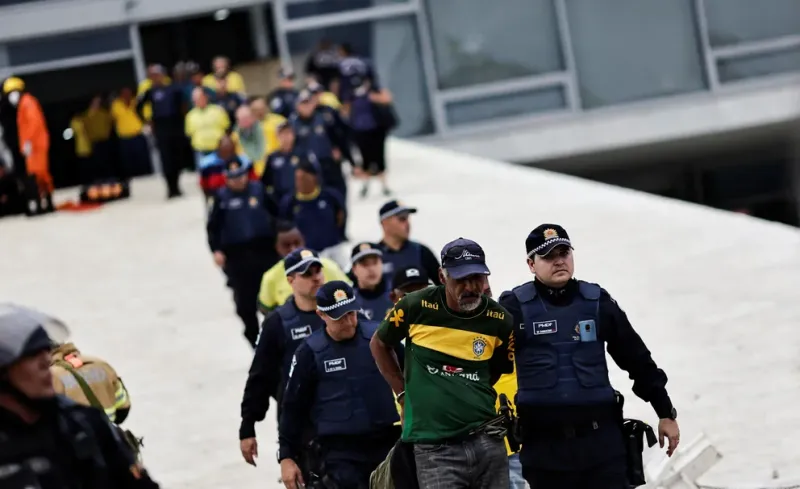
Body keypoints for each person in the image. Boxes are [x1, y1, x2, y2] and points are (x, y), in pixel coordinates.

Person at [498, 224, 680, 489]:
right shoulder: (514, 307)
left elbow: (637, 359)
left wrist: (665, 412)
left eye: (564, 252)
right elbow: (488, 365)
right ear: (531, 264)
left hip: (601, 445)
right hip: (544, 450)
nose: (559, 260)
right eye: (548, 255)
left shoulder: (597, 302)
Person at [370, 238, 514, 489]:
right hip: (434, 448)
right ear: (441, 276)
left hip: (487, 440)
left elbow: (498, 368)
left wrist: (464, 390)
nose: (470, 287)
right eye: (461, 279)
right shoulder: (414, 306)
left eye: (477, 278)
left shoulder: (500, 319)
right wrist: (403, 393)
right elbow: (379, 344)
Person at [0, 308, 160, 488]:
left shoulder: (85, 422)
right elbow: (123, 406)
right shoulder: (99, 366)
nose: (45, 361)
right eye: (31, 355)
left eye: (45, 350)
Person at [279, 281, 402, 489]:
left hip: (388, 442)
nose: (348, 322)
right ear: (321, 315)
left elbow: (414, 378)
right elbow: (292, 407)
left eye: (351, 313)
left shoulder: (381, 338)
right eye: (339, 317)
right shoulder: (309, 352)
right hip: (340, 451)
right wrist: (286, 457)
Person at [239, 247, 326, 466]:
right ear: (290, 280)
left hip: (341, 414)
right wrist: (248, 425)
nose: (315, 278)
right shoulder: (278, 322)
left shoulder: (339, 311)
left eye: (318, 271)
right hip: (300, 421)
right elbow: (260, 375)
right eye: (307, 274)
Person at [207, 157, 280, 347]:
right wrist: (216, 250)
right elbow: (213, 228)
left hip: (265, 252)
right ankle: (255, 342)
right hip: (238, 258)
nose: (238, 180)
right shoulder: (220, 198)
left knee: (274, 299)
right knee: (245, 305)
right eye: (233, 177)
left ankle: (278, 341)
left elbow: (278, 215)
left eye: (241, 176)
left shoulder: (259, 190)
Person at [257, 222, 351, 314]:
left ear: (303, 240)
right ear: (277, 247)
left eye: (297, 243)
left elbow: (351, 295)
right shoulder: (270, 277)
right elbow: (266, 309)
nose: (293, 249)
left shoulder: (329, 266)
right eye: (286, 245)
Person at [278, 158, 347, 265]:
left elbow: (341, 217)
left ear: (314, 177)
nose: (299, 182)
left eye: (303, 178)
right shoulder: (289, 202)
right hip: (307, 254)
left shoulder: (330, 196)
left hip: (334, 249)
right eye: (297, 178)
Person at [1, 77, 53, 215]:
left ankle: (45, 203)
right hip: (34, 145)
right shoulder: (24, 104)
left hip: (36, 146)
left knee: (39, 175)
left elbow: (33, 124)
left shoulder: (27, 103)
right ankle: (46, 203)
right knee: (38, 175)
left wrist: (28, 142)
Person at [50, 342, 131, 424]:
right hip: (107, 432)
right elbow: (123, 408)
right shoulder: (100, 363)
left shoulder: (49, 377)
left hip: (76, 436)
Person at [136, 65, 186, 198]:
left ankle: (177, 186)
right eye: (151, 76)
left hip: (174, 125)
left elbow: (183, 104)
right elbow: (138, 107)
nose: (154, 78)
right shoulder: (149, 91)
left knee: (177, 158)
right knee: (166, 159)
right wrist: (147, 121)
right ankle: (170, 188)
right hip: (160, 127)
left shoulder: (173, 88)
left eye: (156, 75)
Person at [289, 89, 348, 201]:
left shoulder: (324, 117)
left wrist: (339, 150)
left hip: (328, 163)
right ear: (297, 106)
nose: (306, 106)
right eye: (303, 103)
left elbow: (340, 135)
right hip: (307, 168)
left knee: (338, 194)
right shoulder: (293, 123)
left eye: (309, 102)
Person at [377, 200, 441, 286]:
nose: (407, 224)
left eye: (408, 218)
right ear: (385, 222)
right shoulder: (373, 257)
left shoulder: (421, 252)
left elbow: (444, 287)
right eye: (402, 219)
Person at [261, 121, 309, 204]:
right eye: (282, 134)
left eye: (288, 133)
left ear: (293, 135)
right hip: (280, 200)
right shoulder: (272, 158)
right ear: (277, 137)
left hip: (301, 198)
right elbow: (266, 181)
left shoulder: (302, 154)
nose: (285, 137)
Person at [185, 87, 231, 169]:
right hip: (201, 151)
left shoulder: (218, 110)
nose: (196, 100)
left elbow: (227, 128)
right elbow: (189, 133)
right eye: (194, 98)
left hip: (218, 150)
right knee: (204, 175)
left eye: (198, 97)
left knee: (221, 173)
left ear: (205, 97)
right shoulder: (190, 115)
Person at [111, 87, 152, 178]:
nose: (126, 95)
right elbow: (113, 119)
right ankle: (131, 177)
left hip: (138, 135)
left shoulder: (136, 102)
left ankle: (145, 175)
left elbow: (146, 114)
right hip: (124, 137)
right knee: (128, 160)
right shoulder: (116, 104)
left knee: (142, 157)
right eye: (124, 93)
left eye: (128, 92)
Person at [350, 242, 393, 325]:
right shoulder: (349, 302)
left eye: (375, 262)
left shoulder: (398, 294)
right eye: (365, 264)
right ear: (354, 269)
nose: (371, 269)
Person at [232, 105, 267, 175]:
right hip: (247, 173)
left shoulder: (265, 129)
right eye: (241, 119)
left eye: (246, 118)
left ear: (253, 117)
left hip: (266, 169)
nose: (245, 121)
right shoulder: (234, 137)